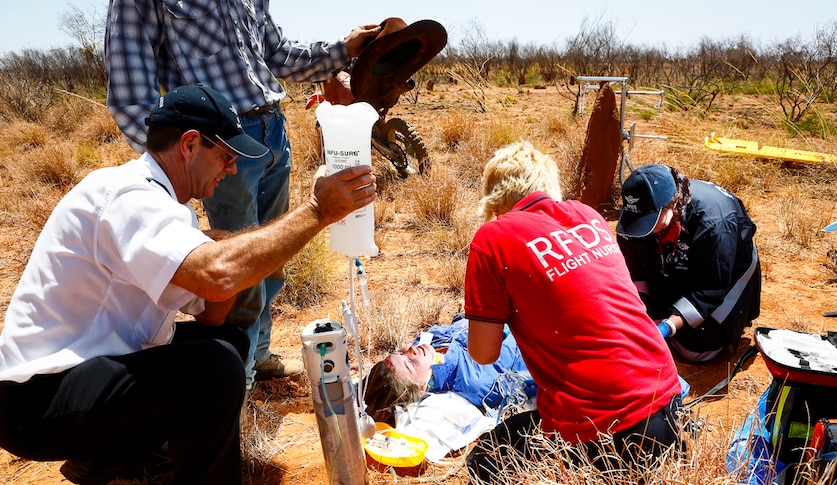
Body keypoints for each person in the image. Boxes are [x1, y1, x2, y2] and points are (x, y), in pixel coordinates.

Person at [0, 84, 376, 485]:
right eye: (227, 156)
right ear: (190, 144)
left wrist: (225, 256)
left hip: (85, 377)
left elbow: (213, 315)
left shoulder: (166, 206)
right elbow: (217, 278)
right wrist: (316, 211)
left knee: (228, 343)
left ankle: (108, 458)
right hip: (36, 400)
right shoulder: (128, 196)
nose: (231, 168)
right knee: (214, 368)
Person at [104, 0, 381, 388]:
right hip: (218, 142)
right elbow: (131, 96)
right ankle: (238, 383)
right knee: (240, 271)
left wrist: (344, 49)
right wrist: (175, 168)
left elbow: (279, 56)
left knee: (271, 259)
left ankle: (258, 354)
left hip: (272, 130)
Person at [463, 141, 684, 484]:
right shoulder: (588, 215)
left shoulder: (492, 239)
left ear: (495, 199)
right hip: (667, 401)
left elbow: (483, 352)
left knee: (485, 459)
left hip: (609, 430)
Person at [616, 164, 761, 363]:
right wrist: (648, 311)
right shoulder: (637, 217)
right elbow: (633, 269)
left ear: (672, 204)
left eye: (649, 221)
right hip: (680, 259)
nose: (643, 228)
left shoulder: (713, 225)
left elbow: (712, 287)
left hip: (726, 266)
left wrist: (668, 326)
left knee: (696, 349)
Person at [363, 313, 536, 427]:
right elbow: (517, 341)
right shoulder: (476, 380)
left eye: (401, 352)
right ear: (421, 390)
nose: (410, 349)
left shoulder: (427, 348)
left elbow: (460, 323)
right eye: (409, 364)